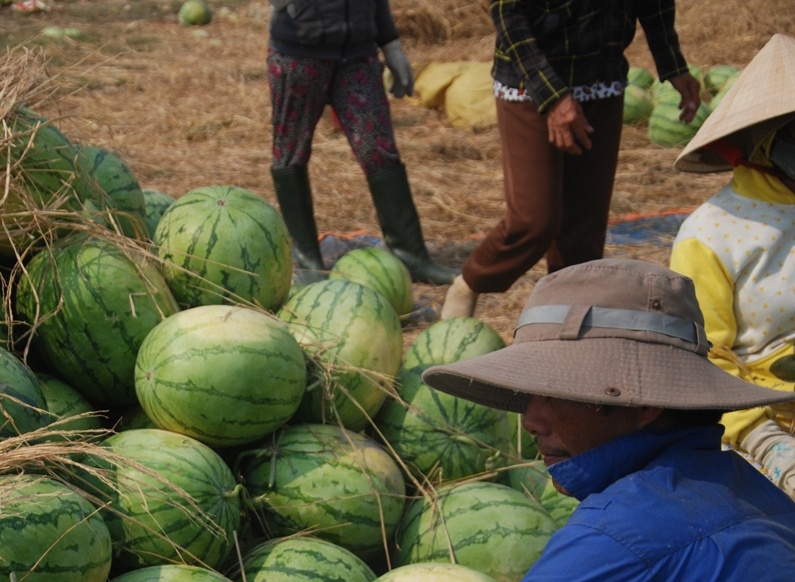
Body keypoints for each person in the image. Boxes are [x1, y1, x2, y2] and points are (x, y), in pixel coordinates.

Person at [307, 258, 795, 582]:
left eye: (557, 391)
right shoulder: (749, 493)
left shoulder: (627, 538)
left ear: (643, 402)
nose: (531, 419)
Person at [439, 0, 701, 319]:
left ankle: (565, 322)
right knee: (535, 219)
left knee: (584, 226)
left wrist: (673, 64)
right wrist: (553, 97)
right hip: (531, 83)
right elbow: (510, 17)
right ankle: (470, 284)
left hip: (601, 77)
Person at [669, 33, 795, 500]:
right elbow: (707, 363)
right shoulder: (710, 235)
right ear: (761, 140)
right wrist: (765, 441)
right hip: (753, 426)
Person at [267, 0, 458, 286]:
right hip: (299, 53)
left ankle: (411, 256)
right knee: (290, 152)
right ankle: (309, 264)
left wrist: (391, 44)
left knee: (379, 149)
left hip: (358, 55)